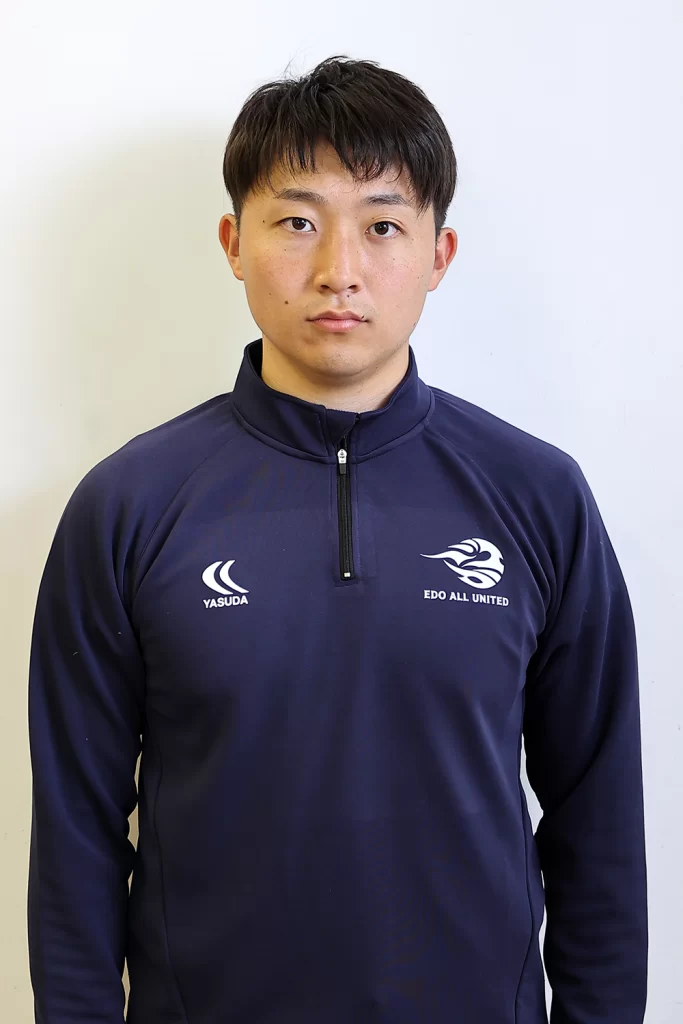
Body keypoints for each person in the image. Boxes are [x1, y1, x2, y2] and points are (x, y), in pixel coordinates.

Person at [27, 54, 648, 1024]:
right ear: (233, 243)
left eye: (382, 224)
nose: (338, 271)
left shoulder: (536, 496)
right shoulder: (129, 505)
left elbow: (596, 818)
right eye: (297, 222)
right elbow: (75, 832)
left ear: (438, 254)